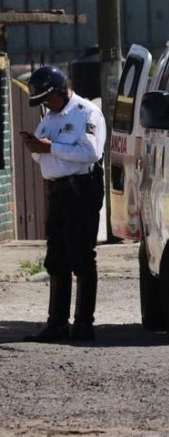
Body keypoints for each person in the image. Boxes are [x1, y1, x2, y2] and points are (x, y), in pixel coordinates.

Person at [20, 66, 106, 342]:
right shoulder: (50, 117)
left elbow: (91, 152)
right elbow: (41, 154)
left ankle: (83, 324)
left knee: (81, 256)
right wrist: (38, 148)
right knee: (56, 258)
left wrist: (51, 149)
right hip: (57, 190)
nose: (46, 104)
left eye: (48, 98)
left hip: (81, 190)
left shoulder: (86, 113)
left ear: (61, 90)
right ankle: (56, 323)